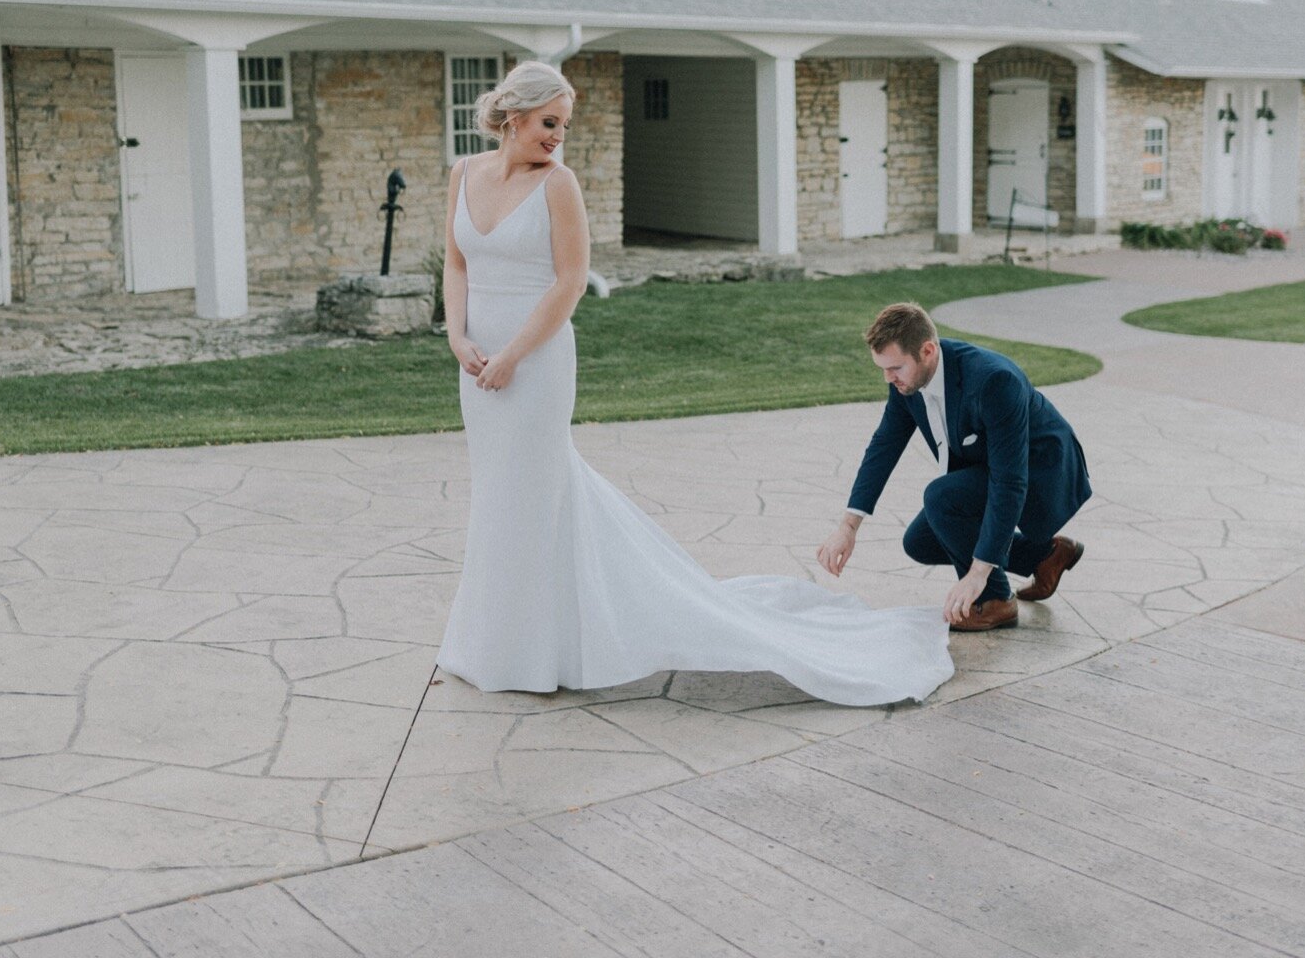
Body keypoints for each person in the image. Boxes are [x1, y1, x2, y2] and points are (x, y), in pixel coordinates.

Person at [434, 61, 953, 706]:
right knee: (497, 498)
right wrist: (458, 337)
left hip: (534, 364)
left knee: (534, 497)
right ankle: (489, 643)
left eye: (564, 126)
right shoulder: (462, 175)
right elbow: (456, 262)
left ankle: (537, 652)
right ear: (514, 115)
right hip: (476, 363)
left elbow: (569, 282)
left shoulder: (558, 185)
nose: (557, 137)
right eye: (549, 123)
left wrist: (513, 354)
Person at [817, 303, 1092, 631]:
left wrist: (978, 574)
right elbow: (884, 445)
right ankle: (1042, 556)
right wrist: (848, 527)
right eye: (883, 369)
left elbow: (1010, 480)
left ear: (928, 351)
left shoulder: (994, 380)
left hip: (1041, 470)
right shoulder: (908, 383)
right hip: (994, 465)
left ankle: (996, 600)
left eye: (895, 368)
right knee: (920, 541)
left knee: (942, 498)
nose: (888, 378)